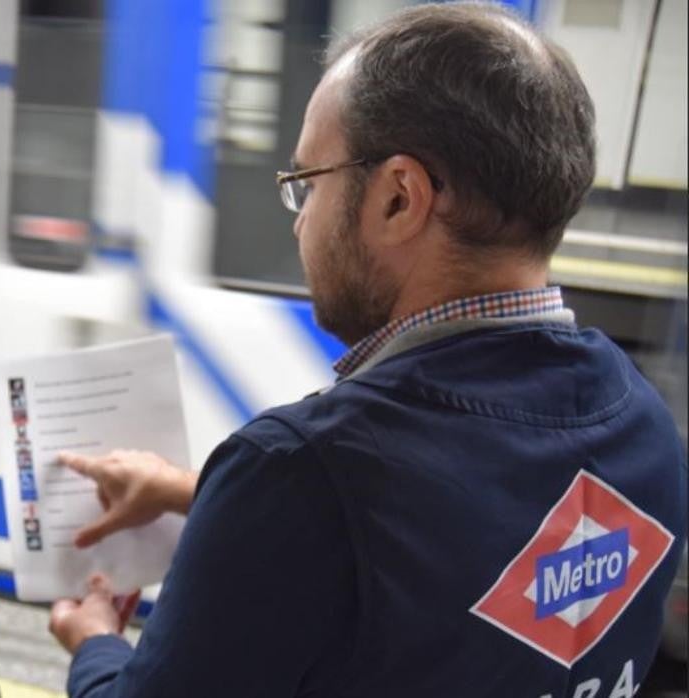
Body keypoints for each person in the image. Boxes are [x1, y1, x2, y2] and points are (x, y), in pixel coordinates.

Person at [47, 5, 687, 697]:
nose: (301, 226)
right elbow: (454, 542)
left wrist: (97, 648)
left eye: (307, 186)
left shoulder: (301, 474)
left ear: (398, 198)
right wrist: (195, 492)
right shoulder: (643, 427)